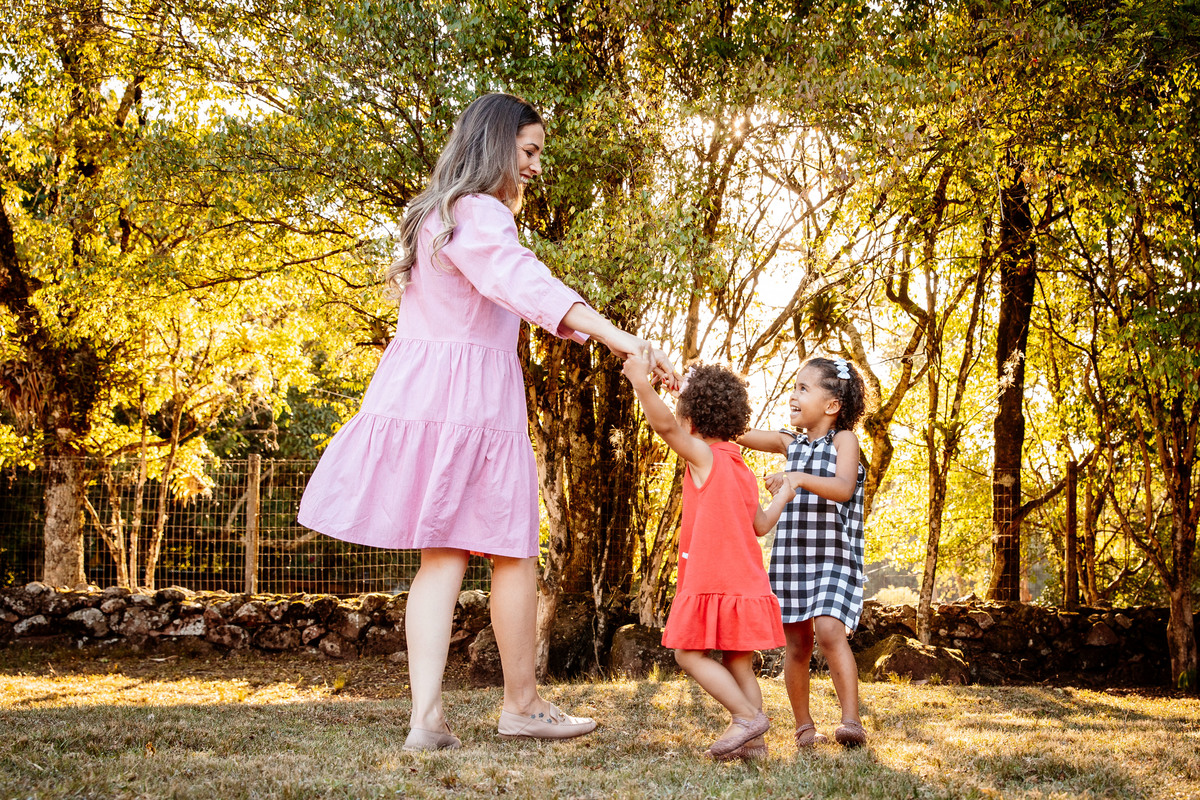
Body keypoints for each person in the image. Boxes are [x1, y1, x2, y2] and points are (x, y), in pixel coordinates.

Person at [297, 93, 676, 750]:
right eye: (528, 152)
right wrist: (619, 336)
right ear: (497, 145)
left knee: (443, 555)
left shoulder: (437, 214)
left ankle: (427, 721)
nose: (534, 166)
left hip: (428, 395)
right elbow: (521, 281)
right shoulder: (479, 214)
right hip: (471, 402)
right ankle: (520, 706)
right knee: (513, 551)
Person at [622, 358, 792, 761]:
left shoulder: (705, 457)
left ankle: (746, 718)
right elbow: (762, 525)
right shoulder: (741, 469)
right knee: (739, 663)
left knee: (687, 654)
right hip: (746, 581)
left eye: (683, 414)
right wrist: (783, 495)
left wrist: (640, 383)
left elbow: (663, 426)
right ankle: (755, 746)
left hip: (714, 577)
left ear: (693, 422)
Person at [737, 356, 869, 749]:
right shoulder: (788, 443)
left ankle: (851, 721)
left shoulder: (844, 440)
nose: (792, 395)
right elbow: (737, 433)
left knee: (830, 631)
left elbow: (844, 486)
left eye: (803, 388)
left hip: (833, 556)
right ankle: (804, 728)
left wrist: (796, 477)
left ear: (832, 406)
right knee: (796, 645)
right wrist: (703, 409)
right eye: (794, 387)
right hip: (792, 558)